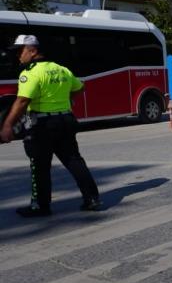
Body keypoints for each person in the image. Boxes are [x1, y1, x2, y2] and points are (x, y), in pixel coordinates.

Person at [0, 34, 101, 217]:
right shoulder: (61, 69)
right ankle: (92, 198)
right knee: (74, 160)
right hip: (66, 120)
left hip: (43, 125)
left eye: (20, 51)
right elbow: (80, 87)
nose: (18, 56)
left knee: (39, 166)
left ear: (33, 51)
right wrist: (68, 100)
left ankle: (40, 206)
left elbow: (22, 101)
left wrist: (7, 125)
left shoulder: (30, 73)